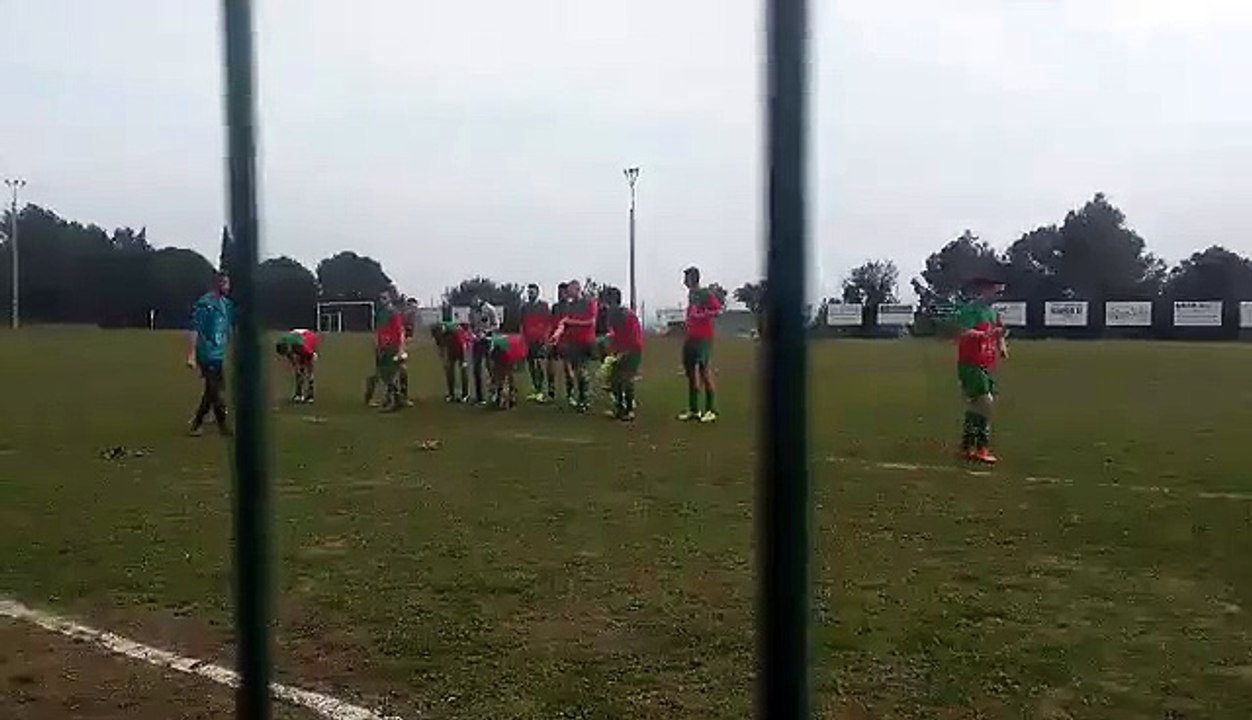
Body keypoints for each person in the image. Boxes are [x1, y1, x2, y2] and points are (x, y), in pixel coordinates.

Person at [953, 274, 1009, 464]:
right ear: (986, 290)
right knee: (985, 403)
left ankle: (967, 446)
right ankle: (981, 448)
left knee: (977, 405)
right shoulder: (972, 310)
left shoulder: (993, 312)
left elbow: (999, 331)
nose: (999, 295)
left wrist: (1002, 345)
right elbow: (964, 332)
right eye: (997, 291)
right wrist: (986, 335)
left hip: (986, 363)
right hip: (971, 363)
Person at [186, 272, 233, 436]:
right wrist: (191, 355)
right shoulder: (205, 304)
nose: (229, 287)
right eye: (226, 283)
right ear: (218, 284)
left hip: (219, 354)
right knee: (214, 391)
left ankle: (197, 422)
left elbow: (228, 329)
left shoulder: (226, 304)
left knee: (212, 390)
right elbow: (194, 329)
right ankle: (222, 425)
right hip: (206, 353)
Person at [678, 266, 723, 422]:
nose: (683, 281)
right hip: (691, 337)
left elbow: (717, 311)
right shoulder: (691, 294)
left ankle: (711, 410)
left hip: (703, 338)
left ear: (692, 278)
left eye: (686, 277)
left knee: (704, 371)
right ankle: (694, 410)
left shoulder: (705, 293)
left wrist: (701, 315)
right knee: (690, 373)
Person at [602, 287, 643, 421]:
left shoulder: (627, 315)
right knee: (614, 380)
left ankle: (630, 410)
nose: (604, 305)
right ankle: (620, 408)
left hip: (632, 350)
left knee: (626, 379)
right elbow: (614, 334)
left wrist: (624, 353)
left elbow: (634, 338)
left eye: (607, 301)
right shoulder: (611, 315)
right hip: (619, 350)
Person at [558, 280, 598, 413]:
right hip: (572, 342)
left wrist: (572, 322)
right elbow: (566, 322)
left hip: (585, 341)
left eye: (570, 290)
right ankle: (580, 398)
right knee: (575, 371)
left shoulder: (589, 302)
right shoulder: (570, 305)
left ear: (577, 289)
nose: (568, 293)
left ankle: (584, 400)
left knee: (581, 371)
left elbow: (591, 321)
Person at [365, 288, 408, 411]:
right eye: (381, 298)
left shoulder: (394, 313)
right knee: (384, 373)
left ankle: (396, 400)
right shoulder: (381, 313)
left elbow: (400, 331)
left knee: (389, 373)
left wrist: (401, 348)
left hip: (391, 346)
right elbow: (379, 331)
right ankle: (391, 399)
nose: (382, 300)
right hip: (383, 346)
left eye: (385, 298)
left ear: (390, 299)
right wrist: (377, 344)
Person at [519, 283, 553, 402]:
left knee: (540, 365)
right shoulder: (524, 307)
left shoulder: (543, 306)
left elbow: (548, 323)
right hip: (528, 340)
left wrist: (545, 337)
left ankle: (542, 390)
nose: (530, 294)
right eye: (529, 292)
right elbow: (522, 324)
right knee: (531, 366)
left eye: (532, 292)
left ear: (537, 293)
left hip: (540, 340)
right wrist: (522, 338)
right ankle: (535, 388)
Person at [469, 296, 502, 405]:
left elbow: (496, 325)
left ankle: (496, 393)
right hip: (477, 342)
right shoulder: (472, 310)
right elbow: (471, 325)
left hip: (488, 341)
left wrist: (485, 332)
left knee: (490, 368)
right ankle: (479, 397)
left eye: (474, 300)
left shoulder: (489, 309)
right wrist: (473, 334)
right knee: (476, 368)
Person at [431, 319, 471, 402]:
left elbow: (463, 345)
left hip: (462, 347)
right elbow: (440, 347)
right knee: (449, 369)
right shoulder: (437, 334)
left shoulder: (456, 332)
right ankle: (451, 394)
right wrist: (443, 359)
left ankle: (465, 394)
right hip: (451, 348)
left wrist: (464, 361)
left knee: (463, 370)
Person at [275, 328, 319, 403]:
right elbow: (291, 357)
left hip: (309, 338)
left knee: (308, 368)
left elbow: (310, 356)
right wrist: (297, 368)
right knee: (299, 371)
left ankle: (310, 395)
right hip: (298, 337)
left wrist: (305, 367)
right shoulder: (284, 344)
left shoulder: (303, 346)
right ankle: (299, 393)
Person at [547, 282, 573, 404]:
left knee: (568, 368)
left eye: (562, 292)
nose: (559, 295)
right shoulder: (555, 307)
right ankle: (551, 390)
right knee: (550, 366)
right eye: (558, 292)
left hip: (566, 341)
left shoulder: (571, 307)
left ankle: (570, 394)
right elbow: (551, 322)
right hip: (554, 339)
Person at [487, 333, 527, 409]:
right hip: (508, 354)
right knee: (508, 375)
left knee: (500, 376)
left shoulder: (497, 340)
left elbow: (491, 354)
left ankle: (502, 397)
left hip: (501, 355)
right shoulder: (515, 340)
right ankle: (510, 398)